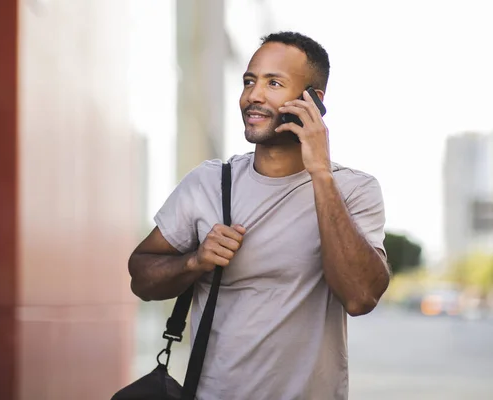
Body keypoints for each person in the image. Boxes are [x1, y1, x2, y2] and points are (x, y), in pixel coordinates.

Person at [128, 31, 390, 400]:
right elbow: (140, 277)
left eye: (274, 83)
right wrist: (194, 262)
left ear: (313, 100)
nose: (254, 95)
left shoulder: (354, 190)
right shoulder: (208, 183)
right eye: (249, 81)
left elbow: (361, 297)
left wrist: (321, 174)